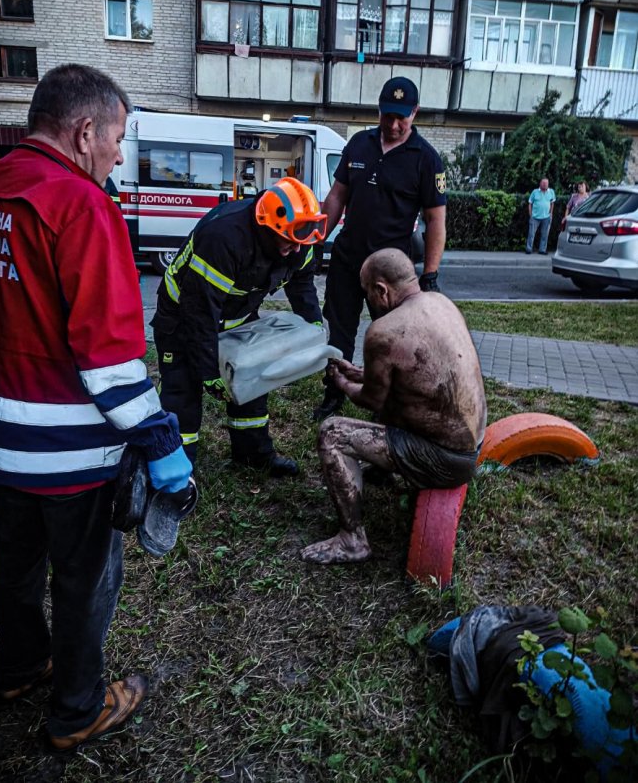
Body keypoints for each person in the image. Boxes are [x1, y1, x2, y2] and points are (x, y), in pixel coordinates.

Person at [0, 65, 192, 749]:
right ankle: (78, 709)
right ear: (84, 131)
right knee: (84, 582)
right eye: (117, 138)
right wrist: (163, 445)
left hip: (1, 446)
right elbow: (109, 361)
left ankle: (19, 665)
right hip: (74, 455)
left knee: (13, 564)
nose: (117, 155)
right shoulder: (82, 207)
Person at [301, 249, 486, 565]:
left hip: (443, 460)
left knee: (332, 433)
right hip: (472, 445)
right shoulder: (440, 303)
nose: (369, 300)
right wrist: (361, 373)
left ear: (380, 290)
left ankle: (352, 540)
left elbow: (373, 400)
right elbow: (417, 377)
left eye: (367, 292)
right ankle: (385, 472)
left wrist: (342, 382)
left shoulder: (385, 331)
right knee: (388, 410)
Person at [151, 177, 327, 477]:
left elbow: (303, 286)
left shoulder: (301, 239)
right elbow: (200, 312)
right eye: (289, 240)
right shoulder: (224, 237)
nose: (296, 249)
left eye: (302, 239)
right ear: (266, 227)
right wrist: (209, 373)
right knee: (183, 394)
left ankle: (253, 454)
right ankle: (178, 471)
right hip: (181, 319)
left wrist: (314, 331)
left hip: (238, 316)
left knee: (252, 384)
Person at [314, 76, 447, 421]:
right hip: (348, 260)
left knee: (391, 341)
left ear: (415, 112)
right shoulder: (359, 145)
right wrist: (317, 240)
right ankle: (334, 392)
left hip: (391, 272)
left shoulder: (427, 160)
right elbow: (337, 197)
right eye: (388, 115)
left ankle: (387, 403)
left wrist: (430, 274)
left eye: (402, 116)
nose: (394, 123)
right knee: (339, 331)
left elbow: (436, 222)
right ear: (379, 110)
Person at [526, 177, 555, 255]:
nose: (545, 184)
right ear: (540, 183)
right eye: (543, 183)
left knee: (545, 234)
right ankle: (529, 249)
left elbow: (552, 203)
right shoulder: (535, 192)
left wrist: (551, 213)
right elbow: (530, 203)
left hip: (546, 217)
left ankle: (542, 250)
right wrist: (530, 214)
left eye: (546, 183)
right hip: (535, 217)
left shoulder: (551, 192)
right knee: (531, 234)